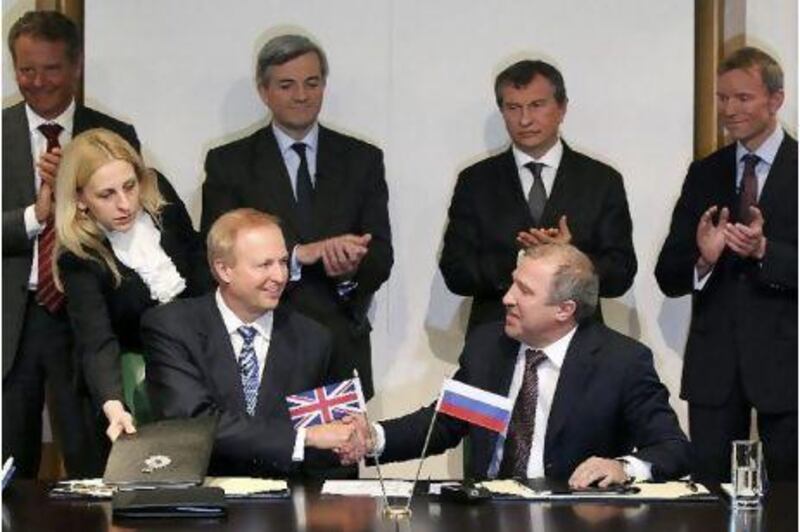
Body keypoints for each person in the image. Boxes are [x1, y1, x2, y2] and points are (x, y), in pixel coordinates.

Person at [341, 244, 689, 486]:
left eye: (524, 290)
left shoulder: (621, 362)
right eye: (512, 284)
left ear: (564, 310)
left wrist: (622, 467)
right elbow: (445, 423)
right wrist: (374, 437)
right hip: (491, 514)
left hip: (573, 517)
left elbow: (673, 448)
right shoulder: (490, 347)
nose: (507, 298)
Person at [200, 33, 393, 400]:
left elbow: (381, 257)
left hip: (338, 349)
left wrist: (348, 270)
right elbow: (212, 258)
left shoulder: (362, 159)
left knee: (338, 455)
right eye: (287, 85)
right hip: (258, 348)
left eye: (312, 83)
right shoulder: (230, 163)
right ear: (264, 91)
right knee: (262, 453)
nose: (302, 96)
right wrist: (298, 255)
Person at [2, 11, 140, 478]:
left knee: (91, 460)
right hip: (12, 320)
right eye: (26, 70)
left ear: (77, 65)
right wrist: (36, 214)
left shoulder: (113, 135)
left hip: (87, 319)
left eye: (52, 68)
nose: (38, 82)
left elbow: (133, 227)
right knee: (8, 462)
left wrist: (81, 202)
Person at [655, 47, 797, 482]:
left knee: (792, 501)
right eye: (721, 98)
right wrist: (704, 258)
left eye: (743, 98)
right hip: (715, 369)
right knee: (709, 497)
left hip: (788, 366)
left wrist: (763, 252)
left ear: (775, 100)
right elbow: (668, 274)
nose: (729, 109)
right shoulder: (705, 173)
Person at [142, 209, 359, 477]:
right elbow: (194, 424)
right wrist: (302, 438)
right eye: (264, 265)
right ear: (224, 269)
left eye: (282, 262)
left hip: (288, 506)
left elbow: (336, 448)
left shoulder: (314, 339)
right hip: (202, 499)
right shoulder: (173, 327)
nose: (280, 276)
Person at [439, 59, 636, 332]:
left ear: (562, 107)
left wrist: (568, 258)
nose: (525, 119)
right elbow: (455, 272)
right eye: (513, 107)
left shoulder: (601, 180)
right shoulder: (475, 181)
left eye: (536, 105)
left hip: (579, 344)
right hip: (495, 342)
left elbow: (621, 274)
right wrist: (523, 260)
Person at [54, 128, 211, 452]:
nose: (124, 204)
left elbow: (199, 261)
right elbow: (96, 342)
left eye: (129, 186)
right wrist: (114, 408)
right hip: (134, 387)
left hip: (199, 367)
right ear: (80, 198)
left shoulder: (161, 202)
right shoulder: (79, 258)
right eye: (106, 195)